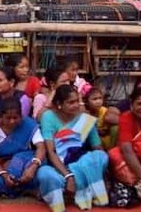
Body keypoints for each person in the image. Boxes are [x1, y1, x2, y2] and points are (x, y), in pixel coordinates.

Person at [35, 84, 109, 212]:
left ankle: (78, 185)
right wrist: (68, 175)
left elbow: (97, 147)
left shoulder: (85, 119)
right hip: (59, 168)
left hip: (82, 165)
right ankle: (76, 189)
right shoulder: (48, 117)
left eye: (78, 101)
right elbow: (51, 152)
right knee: (44, 173)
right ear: (59, 103)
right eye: (71, 102)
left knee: (101, 157)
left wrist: (103, 172)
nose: (76, 105)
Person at [0, 98, 45, 199]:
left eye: (15, 117)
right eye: (8, 118)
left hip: (26, 165)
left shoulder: (28, 124)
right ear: (0, 117)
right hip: (3, 168)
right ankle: (24, 189)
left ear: (21, 116)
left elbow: (41, 147)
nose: (12, 121)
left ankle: (13, 189)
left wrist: (33, 167)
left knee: (21, 158)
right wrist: (4, 176)